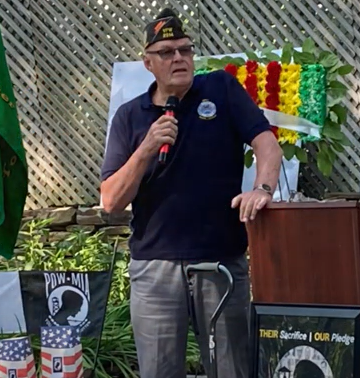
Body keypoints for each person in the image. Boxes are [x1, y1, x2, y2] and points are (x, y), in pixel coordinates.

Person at [99, 7, 282, 378]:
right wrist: (146, 148)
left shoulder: (221, 89)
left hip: (220, 262)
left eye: (185, 49)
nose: (179, 58)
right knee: (160, 372)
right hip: (155, 269)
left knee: (234, 369)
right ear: (148, 62)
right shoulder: (130, 117)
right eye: (167, 52)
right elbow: (110, 201)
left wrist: (262, 189)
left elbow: (268, 146)